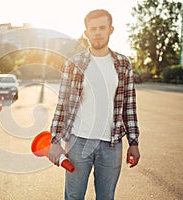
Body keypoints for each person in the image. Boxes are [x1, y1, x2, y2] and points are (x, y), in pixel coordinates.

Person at [49, 9, 140, 200]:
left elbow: (129, 107)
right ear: (86, 33)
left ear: (111, 30)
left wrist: (133, 142)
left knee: (106, 197)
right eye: (93, 28)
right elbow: (62, 105)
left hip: (111, 145)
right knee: (74, 197)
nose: (98, 32)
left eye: (102, 27)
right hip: (78, 142)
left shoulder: (123, 64)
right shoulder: (74, 63)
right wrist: (55, 141)